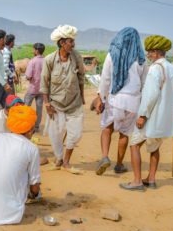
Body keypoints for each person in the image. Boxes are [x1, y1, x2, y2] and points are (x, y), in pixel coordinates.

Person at [119, 35, 173, 192]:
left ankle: (137, 182)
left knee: (134, 145)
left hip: (152, 118)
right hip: (165, 120)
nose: (148, 55)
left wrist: (142, 116)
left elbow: (150, 95)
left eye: (149, 52)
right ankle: (151, 179)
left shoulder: (155, 69)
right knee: (154, 147)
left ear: (156, 52)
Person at [0, 105, 41, 225]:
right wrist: (35, 194)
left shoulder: (0, 138)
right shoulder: (32, 148)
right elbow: (34, 186)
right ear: (31, 130)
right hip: (10, 214)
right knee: (26, 175)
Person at [95, 27, 148, 175]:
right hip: (133, 103)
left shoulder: (112, 55)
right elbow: (144, 84)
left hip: (115, 99)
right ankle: (119, 164)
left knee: (107, 128)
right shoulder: (142, 60)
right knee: (124, 133)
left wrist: (100, 98)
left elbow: (105, 79)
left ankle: (104, 156)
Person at [40, 25, 85, 174]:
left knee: (76, 134)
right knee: (55, 134)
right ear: (61, 43)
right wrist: (47, 104)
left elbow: (81, 78)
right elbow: (44, 82)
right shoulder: (50, 60)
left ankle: (66, 161)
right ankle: (60, 160)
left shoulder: (77, 57)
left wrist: (82, 97)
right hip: (55, 104)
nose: (73, 44)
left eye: (73, 42)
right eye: (70, 42)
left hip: (74, 102)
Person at [25, 43, 45, 132]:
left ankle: (26, 125)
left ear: (36, 50)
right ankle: (36, 127)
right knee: (39, 108)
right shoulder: (46, 61)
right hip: (42, 89)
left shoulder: (32, 61)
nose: (33, 51)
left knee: (26, 107)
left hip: (32, 88)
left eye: (33, 49)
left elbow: (28, 76)